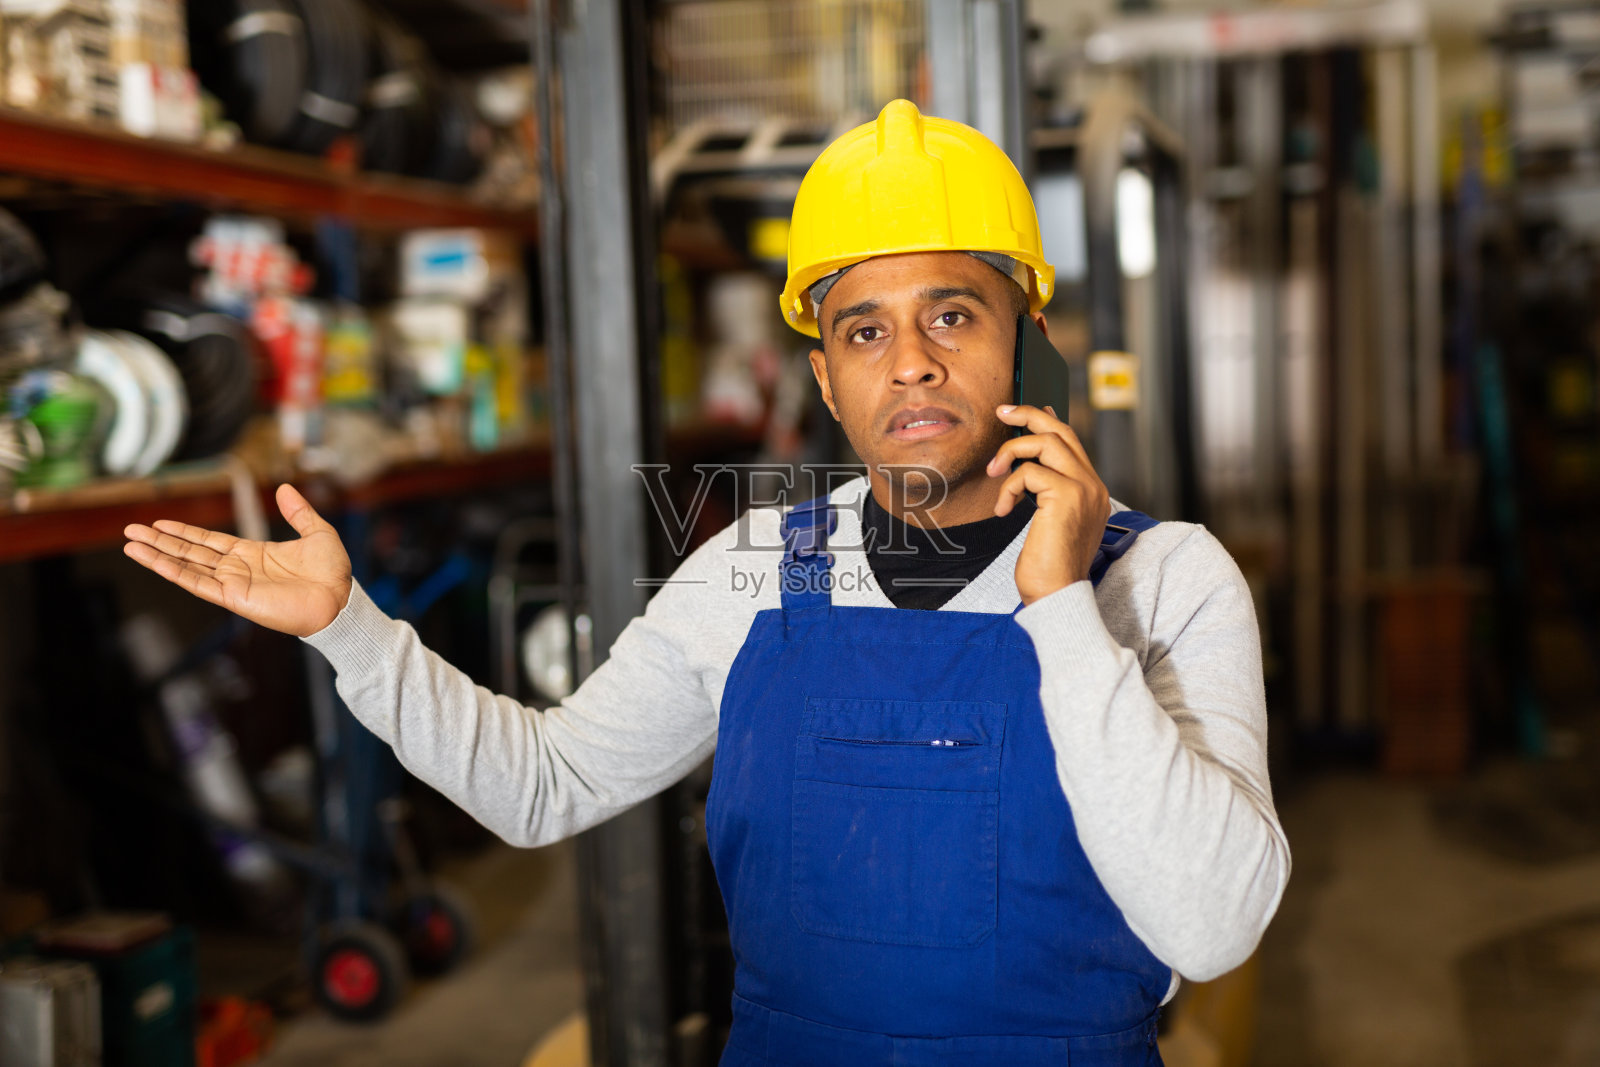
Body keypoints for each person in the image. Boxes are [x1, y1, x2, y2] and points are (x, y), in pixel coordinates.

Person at [124, 100, 1289, 1066]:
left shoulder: (1164, 578)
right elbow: (548, 782)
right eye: (863, 331)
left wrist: (1061, 610)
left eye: (951, 313)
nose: (913, 362)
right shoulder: (749, 571)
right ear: (826, 379)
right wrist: (352, 631)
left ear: (1026, 337)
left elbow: (1215, 922)